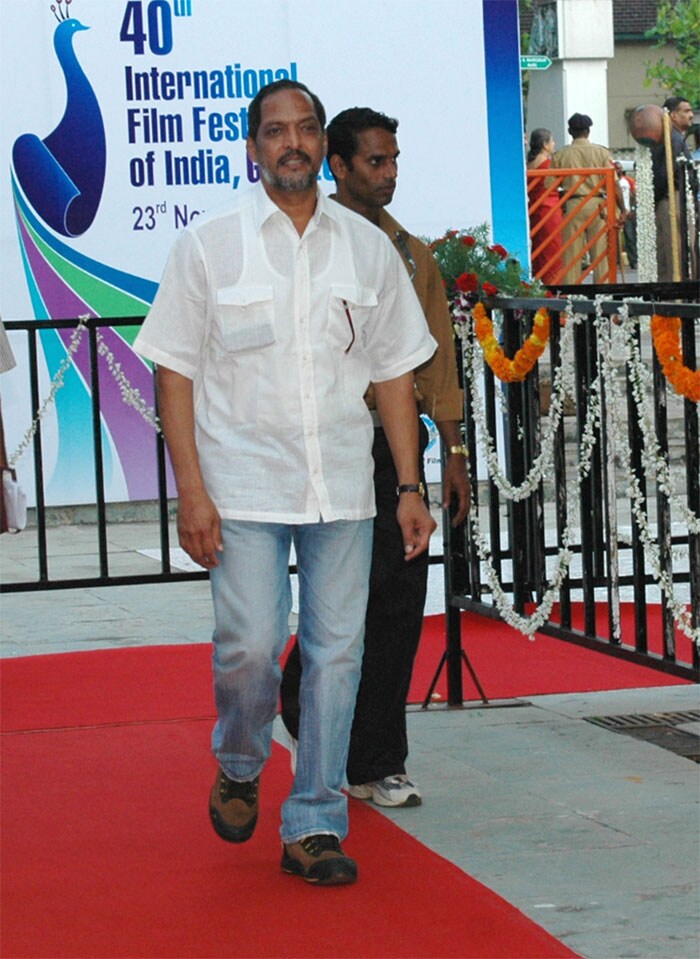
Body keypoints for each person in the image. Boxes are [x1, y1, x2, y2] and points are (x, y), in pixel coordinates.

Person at [133, 80, 438, 886]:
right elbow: (175, 371)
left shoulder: (367, 248)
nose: (293, 143)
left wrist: (411, 487)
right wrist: (190, 491)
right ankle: (239, 759)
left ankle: (313, 822)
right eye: (277, 131)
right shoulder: (209, 245)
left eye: (306, 129)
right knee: (250, 648)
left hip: (342, 484)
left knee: (338, 654)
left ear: (319, 143)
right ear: (253, 147)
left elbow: (397, 377)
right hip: (242, 484)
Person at [280, 107, 470, 808]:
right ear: (338, 165)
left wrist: (450, 452)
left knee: (397, 601)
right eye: (375, 162)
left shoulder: (411, 254)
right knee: (341, 601)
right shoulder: (309, 245)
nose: (389, 174)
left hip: (395, 446)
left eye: (394, 161)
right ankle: (306, 705)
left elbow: (437, 366)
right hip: (328, 440)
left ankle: (378, 758)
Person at [551, 113, 626, 284]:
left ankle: (571, 298)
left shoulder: (561, 155)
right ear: (588, 131)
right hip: (598, 205)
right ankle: (603, 296)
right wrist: (623, 209)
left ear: (570, 131)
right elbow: (614, 184)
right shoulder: (601, 152)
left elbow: (550, 185)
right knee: (600, 254)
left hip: (573, 203)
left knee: (571, 254)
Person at [651, 96, 698, 281]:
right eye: (685, 111)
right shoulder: (672, 139)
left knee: (670, 252)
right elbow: (665, 174)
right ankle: (680, 295)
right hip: (674, 198)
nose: (691, 115)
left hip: (671, 198)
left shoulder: (673, 137)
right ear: (672, 115)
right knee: (679, 251)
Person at [526, 128, 564, 284]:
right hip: (550, 210)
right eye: (552, 141)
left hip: (534, 210)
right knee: (553, 250)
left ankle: (539, 283)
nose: (554, 144)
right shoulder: (549, 164)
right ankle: (553, 286)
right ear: (545, 145)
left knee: (539, 250)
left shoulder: (529, 164)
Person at [614, 161, 637, 271]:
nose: (619, 170)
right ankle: (616, 261)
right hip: (615, 213)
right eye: (617, 168)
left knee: (630, 238)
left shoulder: (628, 181)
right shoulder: (612, 181)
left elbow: (634, 195)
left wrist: (632, 209)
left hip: (627, 212)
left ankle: (633, 260)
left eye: (620, 168)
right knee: (614, 239)